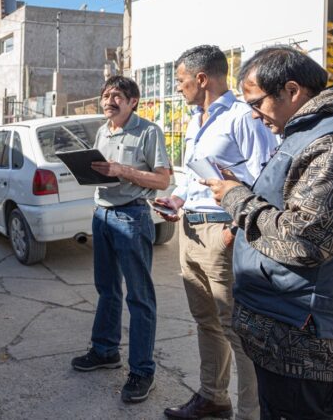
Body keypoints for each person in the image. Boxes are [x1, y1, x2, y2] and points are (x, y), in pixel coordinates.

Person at [204, 46, 333, 419]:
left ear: (292, 91)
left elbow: (304, 240)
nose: (253, 114)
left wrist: (237, 200)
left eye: (257, 101)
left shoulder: (329, 143)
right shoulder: (306, 133)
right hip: (283, 327)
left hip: (301, 340)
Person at [156, 46, 275, 420]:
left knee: (236, 329)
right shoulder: (195, 119)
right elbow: (196, 175)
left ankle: (250, 413)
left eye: (180, 80)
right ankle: (213, 398)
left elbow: (266, 180)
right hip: (190, 230)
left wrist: (235, 231)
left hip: (223, 233)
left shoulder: (243, 117)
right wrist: (176, 199)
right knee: (206, 321)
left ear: (201, 79)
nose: (178, 88)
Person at [71, 75, 172, 404]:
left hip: (132, 217)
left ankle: (142, 370)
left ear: (133, 102)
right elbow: (105, 171)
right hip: (101, 215)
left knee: (139, 298)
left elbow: (161, 180)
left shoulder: (148, 131)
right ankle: (104, 351)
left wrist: (122, 171)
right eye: (105, 95)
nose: (109, 100)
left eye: (117, 96)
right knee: (107, 290)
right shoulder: (103, 130)